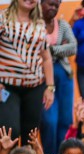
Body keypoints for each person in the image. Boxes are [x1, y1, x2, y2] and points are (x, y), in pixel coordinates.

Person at [0, 0, 55, 145]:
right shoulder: (2, 19)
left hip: (35, 87)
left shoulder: (39, 23)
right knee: (10, 131)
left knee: (30, 134)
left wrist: (50, 87)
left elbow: (46, 58)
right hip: (7, 87)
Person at [40, 0, 77, 154]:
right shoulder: (34, 26)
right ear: (40, 4)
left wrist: (50, 50)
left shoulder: (62, 25)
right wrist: (60, 48)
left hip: (64, 76)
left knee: (65, 120)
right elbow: (34, 49)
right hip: (43, 78)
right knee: (49, 121)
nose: (53, 8)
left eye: (56, 5)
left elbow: (73, 47)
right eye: (50, 4)